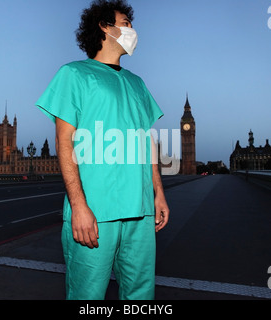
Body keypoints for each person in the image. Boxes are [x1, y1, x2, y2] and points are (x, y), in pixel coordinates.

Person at [35, 0, 169, 300]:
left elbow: (146, 142)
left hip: (141, 211)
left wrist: (158, 192)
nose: (132, 29)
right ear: (104, 27)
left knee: (141, 295)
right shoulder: (74, 74)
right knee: (87, 296)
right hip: (96, 211)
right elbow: (64, 141)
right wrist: (79, 207)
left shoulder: (138, 83)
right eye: (126, 22)